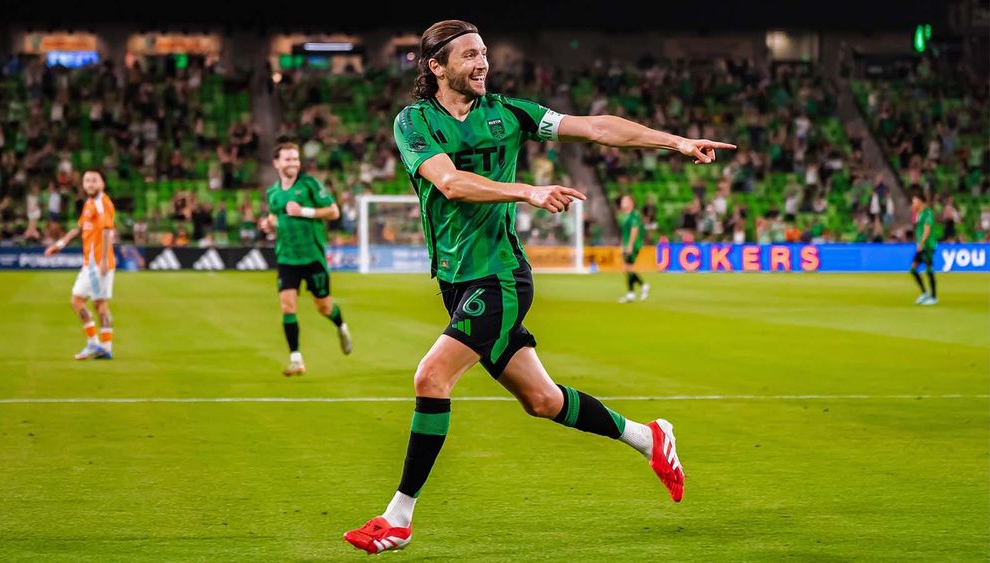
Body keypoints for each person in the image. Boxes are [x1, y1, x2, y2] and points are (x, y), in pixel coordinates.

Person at [343, 20, 736, 555]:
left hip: (501, 277)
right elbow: (450, 182)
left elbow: (597, 127)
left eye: (484, 53)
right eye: (468, 56)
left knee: (431, 378)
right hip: (458, 282)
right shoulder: (414, 122)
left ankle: (398, 518)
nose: (482, 63)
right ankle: (649, 437)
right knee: (543, 401)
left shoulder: (510, 113)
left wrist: (676, 141)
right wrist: (526, 189)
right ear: (436, 67)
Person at [260, 142, 352, 376]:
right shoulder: (273, 192)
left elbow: (333, 211)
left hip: (312, 257)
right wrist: (269, 224)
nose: (293, 163)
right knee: (287, 306)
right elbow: (276, 217)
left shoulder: (310, 185)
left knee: (324, 307)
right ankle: (296, 359)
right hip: (287, 258)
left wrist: (304, 211)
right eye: (288, 159)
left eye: (296, 158)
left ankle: (341, 326)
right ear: (277, 163)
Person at [44, 169, 116, 360]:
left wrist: (102, 261)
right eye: (87, 181)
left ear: (102, 183)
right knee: (94, 303)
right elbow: (80, 228)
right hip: (91, 262)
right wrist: (59, 244)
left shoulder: (102, 202)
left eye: (94, 180)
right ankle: (104, 348)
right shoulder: (90, 203)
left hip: (97, 263)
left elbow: (108, 230)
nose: (90, 184)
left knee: (82, 302)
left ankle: (96, 345)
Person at [617, 194, 649, 302]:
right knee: (627, 269)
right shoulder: (623, 215)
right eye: (622, 200)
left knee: (628, 268)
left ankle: (637, 289)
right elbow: (624, 232)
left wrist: (630, 245)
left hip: (634, 245)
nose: (623, 202)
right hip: (627, 245)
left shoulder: (634, 214)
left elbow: (634, 230)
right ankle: (637, 289)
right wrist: (622, 244)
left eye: (625, 200)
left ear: (631, 202)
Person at [910, 190, 938, 306]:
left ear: (920, 201)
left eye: (914, 201)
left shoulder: (928, 213)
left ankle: (933, 297)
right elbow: (917, 226)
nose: (913, 203)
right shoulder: (919, 213)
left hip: (928, 246)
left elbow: (927, 230)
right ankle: (925, 293)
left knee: (929, 268)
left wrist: (921, 243)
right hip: (921, 245)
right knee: (913, 269)